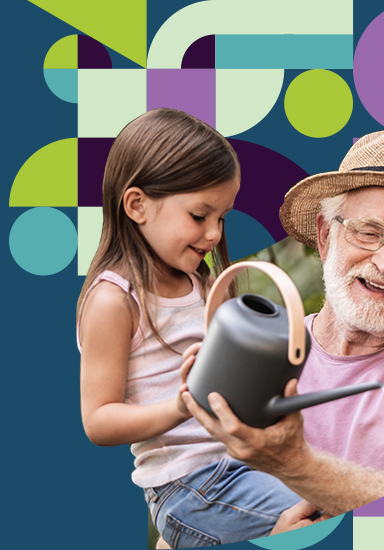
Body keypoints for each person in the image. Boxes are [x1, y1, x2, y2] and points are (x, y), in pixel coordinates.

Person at [182, 123, 384, 528]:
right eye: (368, 232)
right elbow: (186, 519)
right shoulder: (260, 353)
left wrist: (295, 464)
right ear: (324, 238)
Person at [76, 108, 302, 548]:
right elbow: (98, 421)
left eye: (222, 217)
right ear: (137, 205)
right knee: (314, 513)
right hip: (188, 486)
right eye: (200, 216)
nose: (215, 233)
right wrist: (181, 407)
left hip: (239, 464)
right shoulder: (114, 299)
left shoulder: (201, 282)